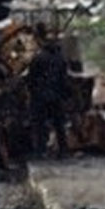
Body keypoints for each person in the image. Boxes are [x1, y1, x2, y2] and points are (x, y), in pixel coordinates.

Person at [27, 29, 71, 158]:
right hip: (56, 96)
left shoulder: (38, 58)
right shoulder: (61, 59)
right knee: (59, 124)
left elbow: (31, 78)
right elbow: (64, 79)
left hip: (40, 96)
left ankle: (41, 150)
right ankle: (63, 150)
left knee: (40, 124)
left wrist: (32, 92)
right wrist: (65, 95)